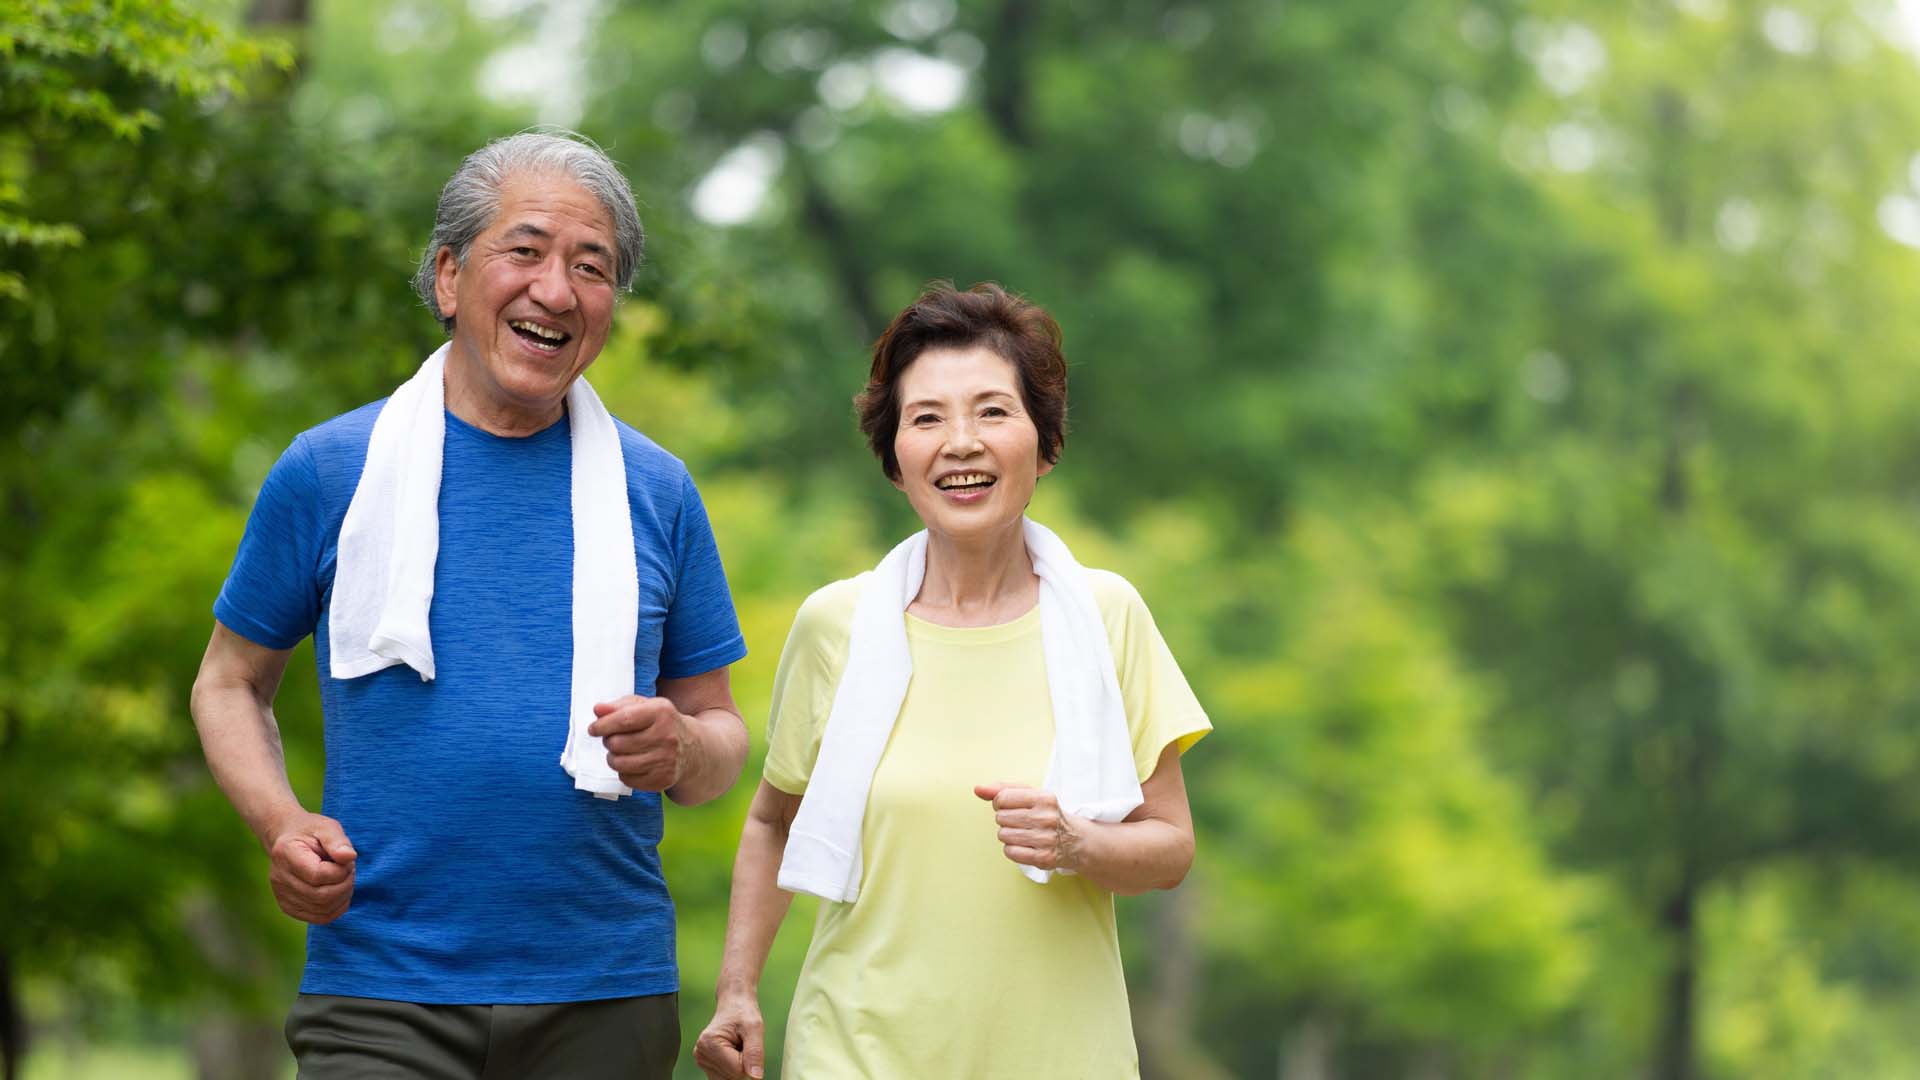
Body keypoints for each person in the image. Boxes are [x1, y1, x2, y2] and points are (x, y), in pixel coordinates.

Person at [189, 130, 750, 1079]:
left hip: (604, 992)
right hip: (380, 988)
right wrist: (280, 823)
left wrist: (684, 748)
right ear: (449, 277)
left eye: (592, 267)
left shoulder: (658, 490)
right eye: (524, 251)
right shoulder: (331, 471)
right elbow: (227, 682)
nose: (557, 291)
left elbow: (720, 741)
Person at [694, 282, 1210, 1079]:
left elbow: (1170, 847)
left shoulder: (1107, 616)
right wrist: (737, 993)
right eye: (926, 418)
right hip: (855, 1050)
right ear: (895, 459)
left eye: (993, 412)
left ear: (1044, 447)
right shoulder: (837, 624)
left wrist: (1080, 843)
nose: (959, 443)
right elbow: (773, 822)